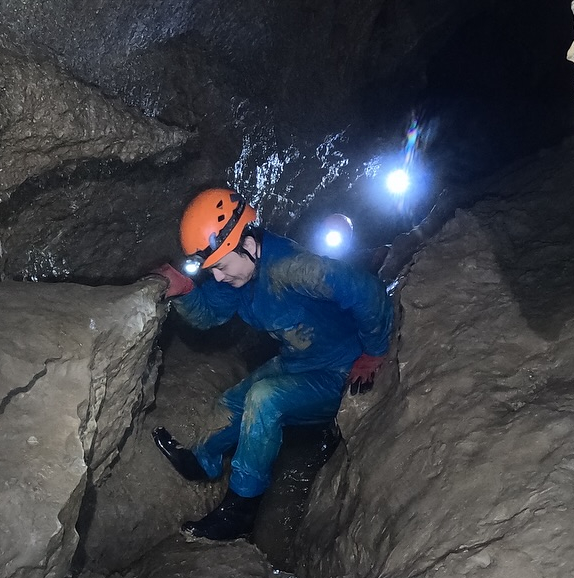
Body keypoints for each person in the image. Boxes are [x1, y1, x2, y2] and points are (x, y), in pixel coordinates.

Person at [151, 187, 393, 542]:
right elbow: (209, 316)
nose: (217, 276)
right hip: (298, 362)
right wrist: (185, 291)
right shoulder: (239, 274)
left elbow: (365, 290)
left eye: (219, 266)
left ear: (245, 244)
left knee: (265, 399)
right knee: (230, 403)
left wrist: (374, 351)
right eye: (211, 268)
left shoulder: (293, 269)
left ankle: (241, 510)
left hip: (338, 373)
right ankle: (204, 462)